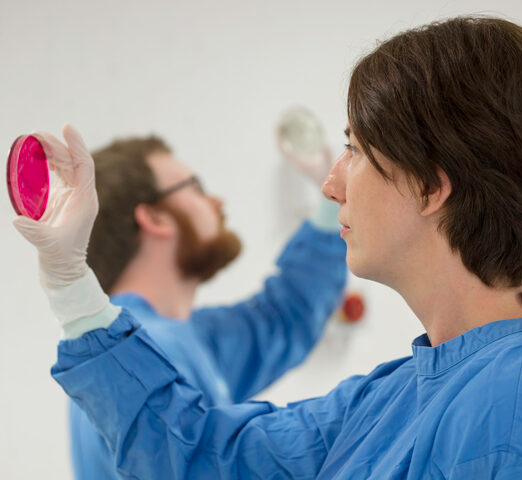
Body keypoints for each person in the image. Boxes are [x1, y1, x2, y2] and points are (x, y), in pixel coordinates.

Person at [16, 16, 522, 479]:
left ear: (429, 186)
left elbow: (280, 319)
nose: (331, 182)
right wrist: (68, 282)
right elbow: (205, 458)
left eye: (358, 151)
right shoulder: (390, 399)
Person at [57, 135, 347, 479]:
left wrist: (332, 207)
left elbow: (283, 317)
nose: (216, 201)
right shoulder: (146, 355)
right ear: (154, 218)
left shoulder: (177, 341)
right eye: (195, 188)